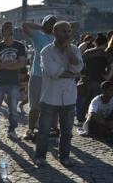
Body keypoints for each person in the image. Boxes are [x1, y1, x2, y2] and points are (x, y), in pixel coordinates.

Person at [34, 21, 83, 167]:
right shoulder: (46, 51)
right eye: (64, 31)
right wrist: (74, 75)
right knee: (43, 131)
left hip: (68, 97)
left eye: (69, 31)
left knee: (67, 132)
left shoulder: (74, 49)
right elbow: (54, 73)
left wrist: (68, 52)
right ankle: (40, 157)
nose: (67, 34)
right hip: (50, 96)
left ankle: (64, 157)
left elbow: (78, 67)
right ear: (55, 32)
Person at [0, 22, 27, 140]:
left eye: (10, 28)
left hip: (14, 82)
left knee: (13, 109)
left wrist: (5, 64)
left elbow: (22, 63)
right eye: (5, 28)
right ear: (2, 32)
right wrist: (13, 63)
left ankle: (12, 130)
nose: (8, 30)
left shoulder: (20, 46)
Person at [22, 15, 56, 141]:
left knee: (51, 107)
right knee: (34, 107)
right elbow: (25, 25)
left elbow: (76, 25)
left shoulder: (58, 37)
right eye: (49, 23)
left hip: (53, 77)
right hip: (37, 75)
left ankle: (51, 129)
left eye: (54, 23)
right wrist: (42, 26)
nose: (52, 25)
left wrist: (58, 27)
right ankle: (30, 129)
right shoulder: (38, 36)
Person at [78, 34, 113, 122]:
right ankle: (93, 118)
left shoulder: (87, 52)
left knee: (85, 99)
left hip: (87, 79)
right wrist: (108, 77)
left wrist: (81, 75)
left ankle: (81, 117)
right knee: (96, 100)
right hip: (99, 79)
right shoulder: (105, 54)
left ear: (95, 42)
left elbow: (79, 64)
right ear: (105, 43)